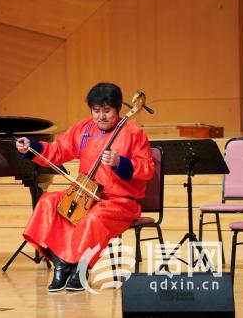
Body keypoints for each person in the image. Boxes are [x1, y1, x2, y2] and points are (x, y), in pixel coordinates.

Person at [16, 82, 154, 292]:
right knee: (47, 202)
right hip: (85, 195)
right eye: (96, 111)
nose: (101, 116)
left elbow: (147, 169)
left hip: (119, 202)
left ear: (117, 109)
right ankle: (60, 263)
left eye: (107, 111)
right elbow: (58, 151)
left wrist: (120, 162)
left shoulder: (133, 132)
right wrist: (31, 147)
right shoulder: (84, 129)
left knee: (93, 218)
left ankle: (79, 268)